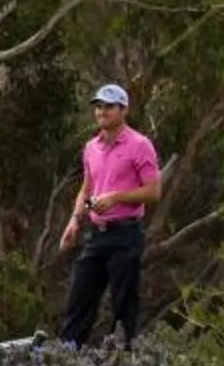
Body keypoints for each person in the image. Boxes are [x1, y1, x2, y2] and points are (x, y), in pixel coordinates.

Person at [59, 81, 160, 346]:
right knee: (78, 303)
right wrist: (74, 220)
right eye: (99, 106)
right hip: (96, 234)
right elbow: (86, 188)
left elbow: (153, 191)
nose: (102, 112)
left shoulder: (140, 145)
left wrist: (116, 198)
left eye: (109, 106)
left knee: (123, 307)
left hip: (125, 235)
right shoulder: (91, 147)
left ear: (123, 110)